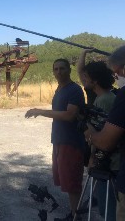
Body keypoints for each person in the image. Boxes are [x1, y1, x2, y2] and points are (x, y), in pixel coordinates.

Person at [25, 58, 85, 221]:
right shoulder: (59, 89)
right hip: (58, 140)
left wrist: (41, 111)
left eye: (62, 69)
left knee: (72, 182)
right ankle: (74, 213)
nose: (58, 72)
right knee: (65, 179)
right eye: (56, 69)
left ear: (69, 70)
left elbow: (70, 115)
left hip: (71, 142)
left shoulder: (74, 89)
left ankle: (76, 216)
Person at [84, 45, 125, 221]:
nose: (116, 78)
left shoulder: (111, 99)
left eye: (117, 73)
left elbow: (106, 141)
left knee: (109, 211)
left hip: (112, 167)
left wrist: (89, 132)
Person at [77, 49, 117, 220]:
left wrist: (92, 156)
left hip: (108, 164)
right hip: (110, 162)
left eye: (86, 77)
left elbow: (102, 134)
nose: (83, 80)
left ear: (95, 81)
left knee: (108, 210)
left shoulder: (103, 101)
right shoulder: (109, 96)